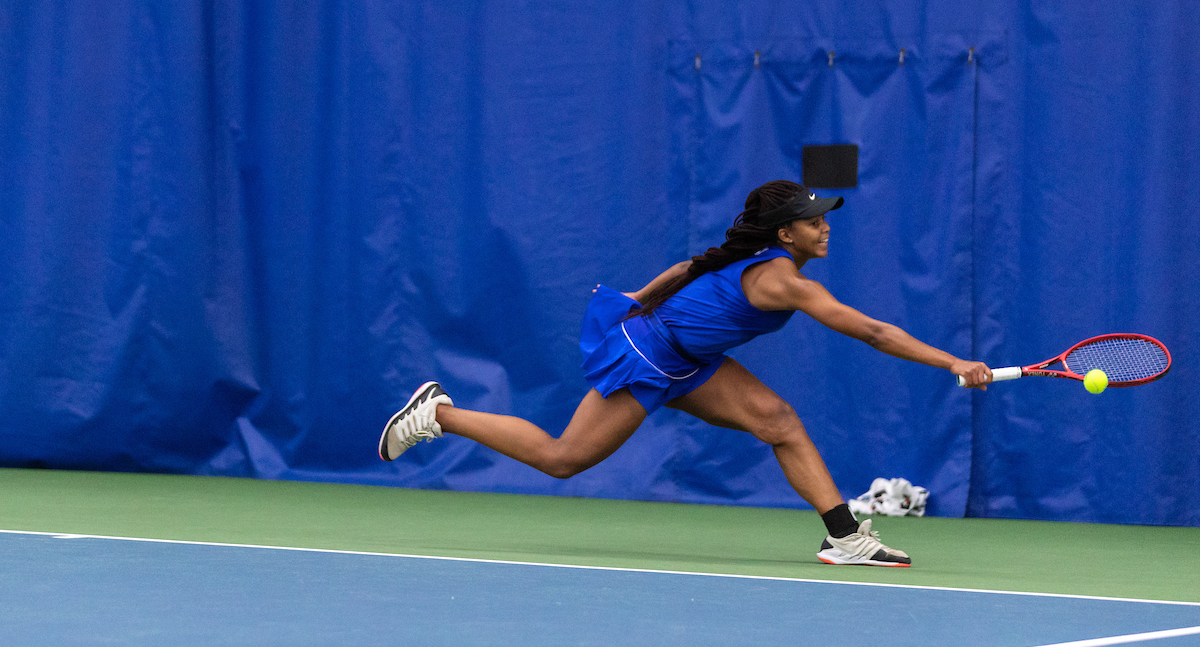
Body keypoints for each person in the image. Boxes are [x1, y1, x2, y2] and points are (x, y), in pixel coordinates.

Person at [379, 180, 993, 567]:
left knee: (778, 421)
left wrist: (640, 297)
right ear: (786, 233)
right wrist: (953, 362)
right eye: (813, 221)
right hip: (650, 359)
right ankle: (440, 414)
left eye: (824, 218)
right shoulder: (783, 280)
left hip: (691, 361)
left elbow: (686, 268)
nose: (824, 226)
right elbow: (873, 332)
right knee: (563, 459)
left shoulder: (757, 256)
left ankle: (844, 537)